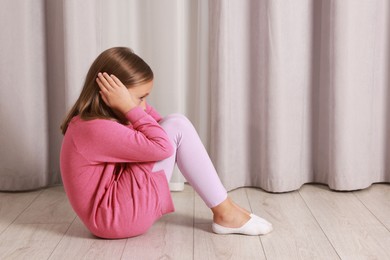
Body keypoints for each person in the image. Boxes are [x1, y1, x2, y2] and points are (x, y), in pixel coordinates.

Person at [60, 47, 272, 239]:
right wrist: (128, 107)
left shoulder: (98, 121)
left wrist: (133, 106)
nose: (143, 106)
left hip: (115, 215)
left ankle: (227, 208)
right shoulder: (93, 128)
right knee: (176, 125)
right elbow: (164, 145)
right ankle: (225, 212)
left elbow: (161, 128)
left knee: (174, 125)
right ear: (108, 96)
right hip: (114, 220)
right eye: (140, 98)